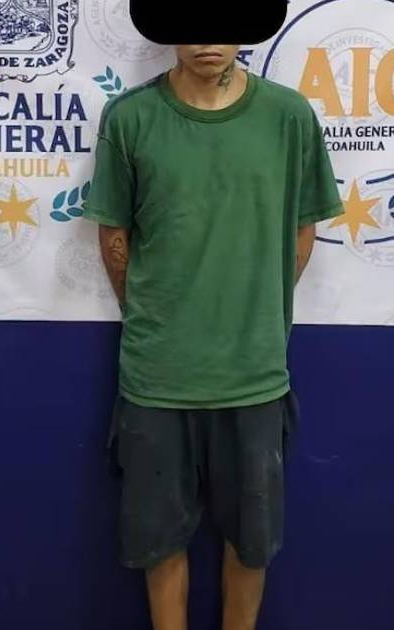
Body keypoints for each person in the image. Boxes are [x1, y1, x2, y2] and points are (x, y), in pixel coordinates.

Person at [85, 45, 343, 630]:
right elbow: (114, 235)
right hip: (156, 379)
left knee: (251, 543)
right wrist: (156, 318)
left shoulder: (289, 116)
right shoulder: (130, 117)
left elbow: (302, 231)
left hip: (254, 376)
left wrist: (255, 313)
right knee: (157, 544)